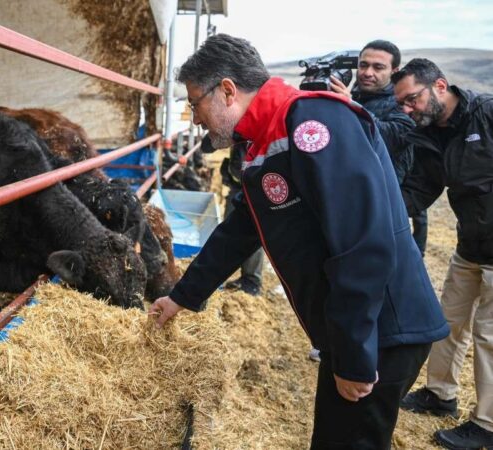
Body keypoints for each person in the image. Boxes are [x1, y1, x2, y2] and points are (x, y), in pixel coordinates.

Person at [148, 34, 449, 449]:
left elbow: (362, 244)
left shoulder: (313, 124)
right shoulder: (265, 139)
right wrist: (181, 296)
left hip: (382, 328)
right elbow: (241, 229)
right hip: (358, 330)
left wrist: (354, 357)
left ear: (228, 90)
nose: (195, 118)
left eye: (195, 102)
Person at [393, 58, 493, 450]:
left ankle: (486, 425)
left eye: (412, 99)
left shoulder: (486, 114)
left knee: (489, 335)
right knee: (446, 322)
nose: (407, 108)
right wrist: (374, 215)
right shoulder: (431, 136)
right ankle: (440, 394)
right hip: (470, 246)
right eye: (402, 103)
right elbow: (418, 190)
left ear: (439, 86)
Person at [329, 39, 427, 256]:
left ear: (395, 71)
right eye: (363, 65)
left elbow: (394, 136)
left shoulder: (404, 101)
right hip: (353, 202)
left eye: (378, 67)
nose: (367, 72)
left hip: (389, 207)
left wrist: (350, 106)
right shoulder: (354, 94)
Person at [218, 139, 263, 296]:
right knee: (232, 230)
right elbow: (207, 146)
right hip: (237, 182)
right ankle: (246, 278)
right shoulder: (235, 130)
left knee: (250, 230)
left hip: (249, 183)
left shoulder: (248, 128)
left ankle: (252, 281)